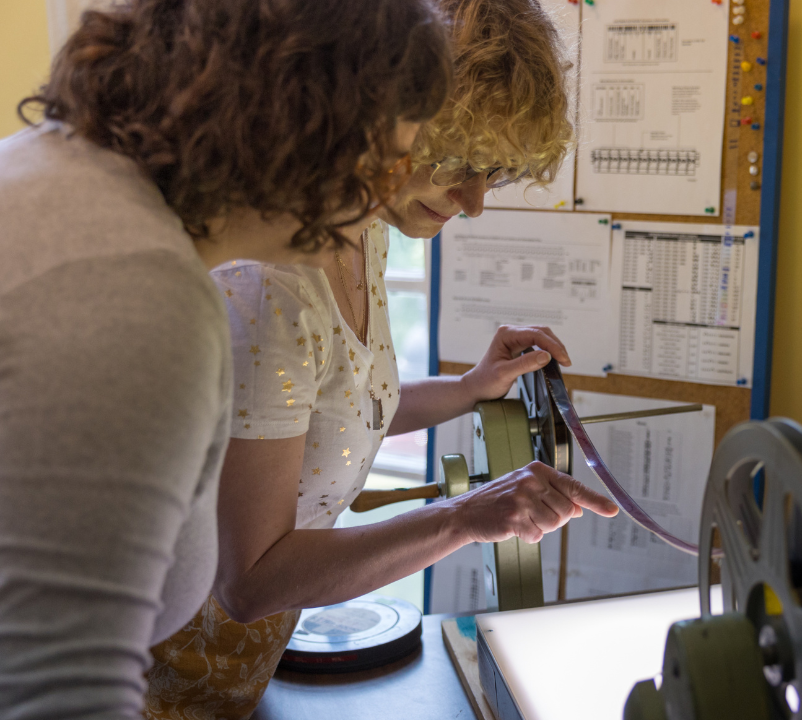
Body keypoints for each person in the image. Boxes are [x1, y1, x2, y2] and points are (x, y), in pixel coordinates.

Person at [140, 0, 616, 717]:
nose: (475, 201)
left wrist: (470, 388)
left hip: (233, 682)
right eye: (458, 164)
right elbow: (252, 581)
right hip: (144, 683)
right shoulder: (272, 284)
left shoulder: (364, 231)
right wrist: (464, 517)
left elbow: (334, 413)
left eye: (492, 171)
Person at [0, 1, 451, 718]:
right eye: (387, 159)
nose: (390, 192)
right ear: (298, 121)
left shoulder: (65, 177)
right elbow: (60, 693)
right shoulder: (138, 289)